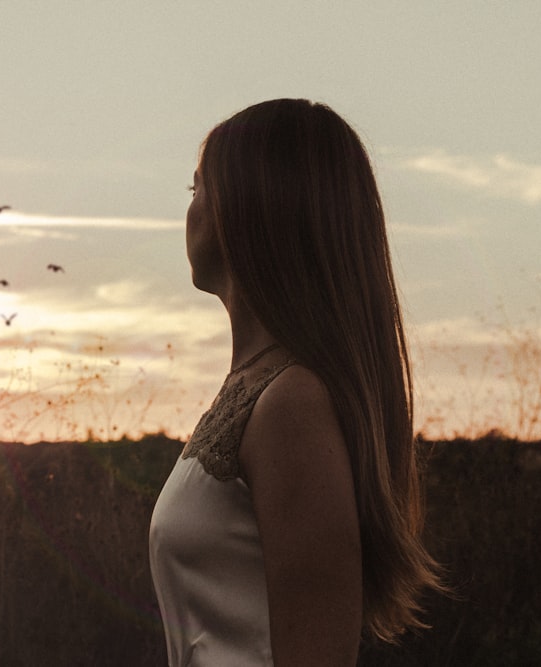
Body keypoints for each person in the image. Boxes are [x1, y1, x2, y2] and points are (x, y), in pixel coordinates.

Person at [149, 99, 443, 666]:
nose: (189, 212)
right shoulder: (257, 388)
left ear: (248, 207)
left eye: (197, 191)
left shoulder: (293, 404)